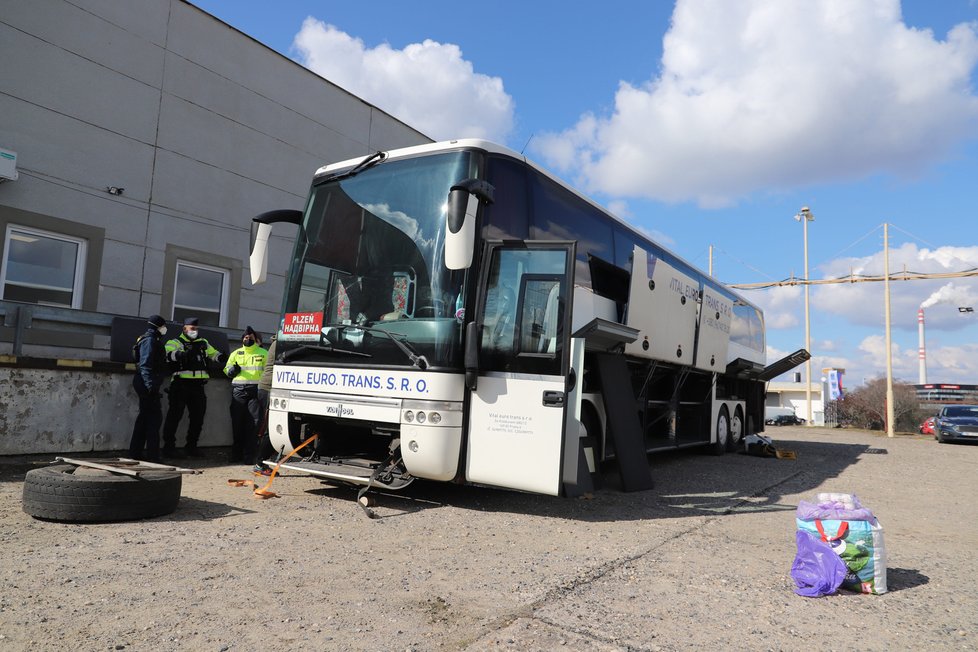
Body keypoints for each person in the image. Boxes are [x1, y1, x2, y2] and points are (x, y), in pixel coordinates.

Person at [161, 317, 222, 457]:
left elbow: (214, 354)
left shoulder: (203, 343)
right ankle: (169, 448)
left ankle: (191, 447)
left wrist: (221, 357)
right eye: (192, 329)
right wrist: (181, 354)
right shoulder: (175, 342)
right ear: (184, 329)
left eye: (196, 329)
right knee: (174, 417)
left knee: (198, 418)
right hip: (180, 384)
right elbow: (167, 354)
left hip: (198, 386)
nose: (195, 331)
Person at [224, 326, 268, 464]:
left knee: (254, 424)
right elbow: (226, 370)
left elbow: (268, 371)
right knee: (237, 423)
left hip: (255, 391)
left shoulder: (263, 353)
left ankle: (249, 456)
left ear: (255, 339)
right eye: (245, 337)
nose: (247, 339)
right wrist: (232, 371)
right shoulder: (236, 353)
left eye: (250, 337)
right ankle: (236, 455)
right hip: (238, 390)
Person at [128, 314, 169, 462]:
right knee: (154, 419)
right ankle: (153, 456)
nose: (165, 329)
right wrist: (150, 386)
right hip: (146, 383)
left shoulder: (150, 339)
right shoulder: (150, 340)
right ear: (158, 327)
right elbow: (145, 364)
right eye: (163, 326)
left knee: (144, 418)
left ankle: (136, 453)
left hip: (145, 382)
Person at [252, 335, 277, 475]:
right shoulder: (281, 342)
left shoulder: (279, 341)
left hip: (269, 388)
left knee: (269, 428)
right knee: (269, 428)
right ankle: (260, 463)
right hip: (269, 388)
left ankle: (262, 461)